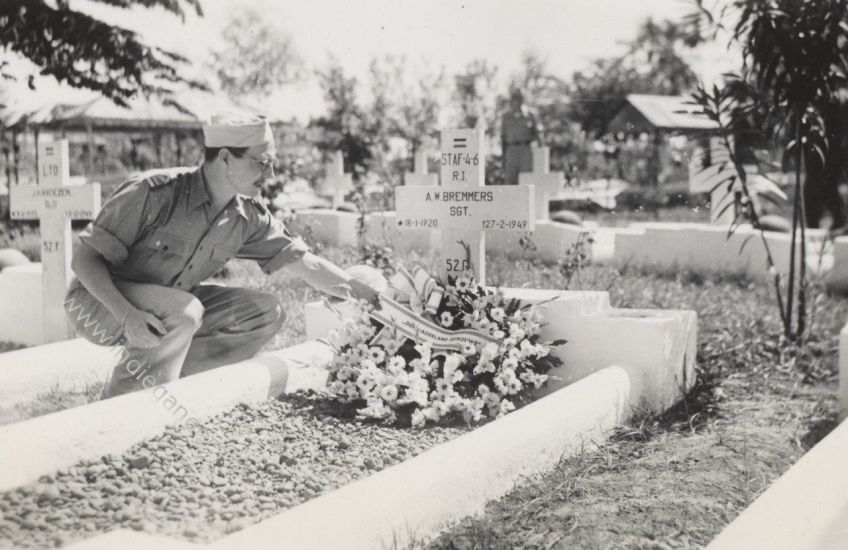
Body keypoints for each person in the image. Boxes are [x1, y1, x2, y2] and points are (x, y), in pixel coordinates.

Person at [66, 114, 379, 398]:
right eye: (262, 162)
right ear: (226, 158)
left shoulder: (247, 216)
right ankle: (125, 405)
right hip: (97, 304)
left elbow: (306, 263)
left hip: (166, 309)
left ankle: (175, 382)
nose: (269, 173)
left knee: (266, 311)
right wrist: (127, 315)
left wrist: (374, 300)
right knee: (185, 311)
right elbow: (84, 261)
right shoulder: (153, 193)